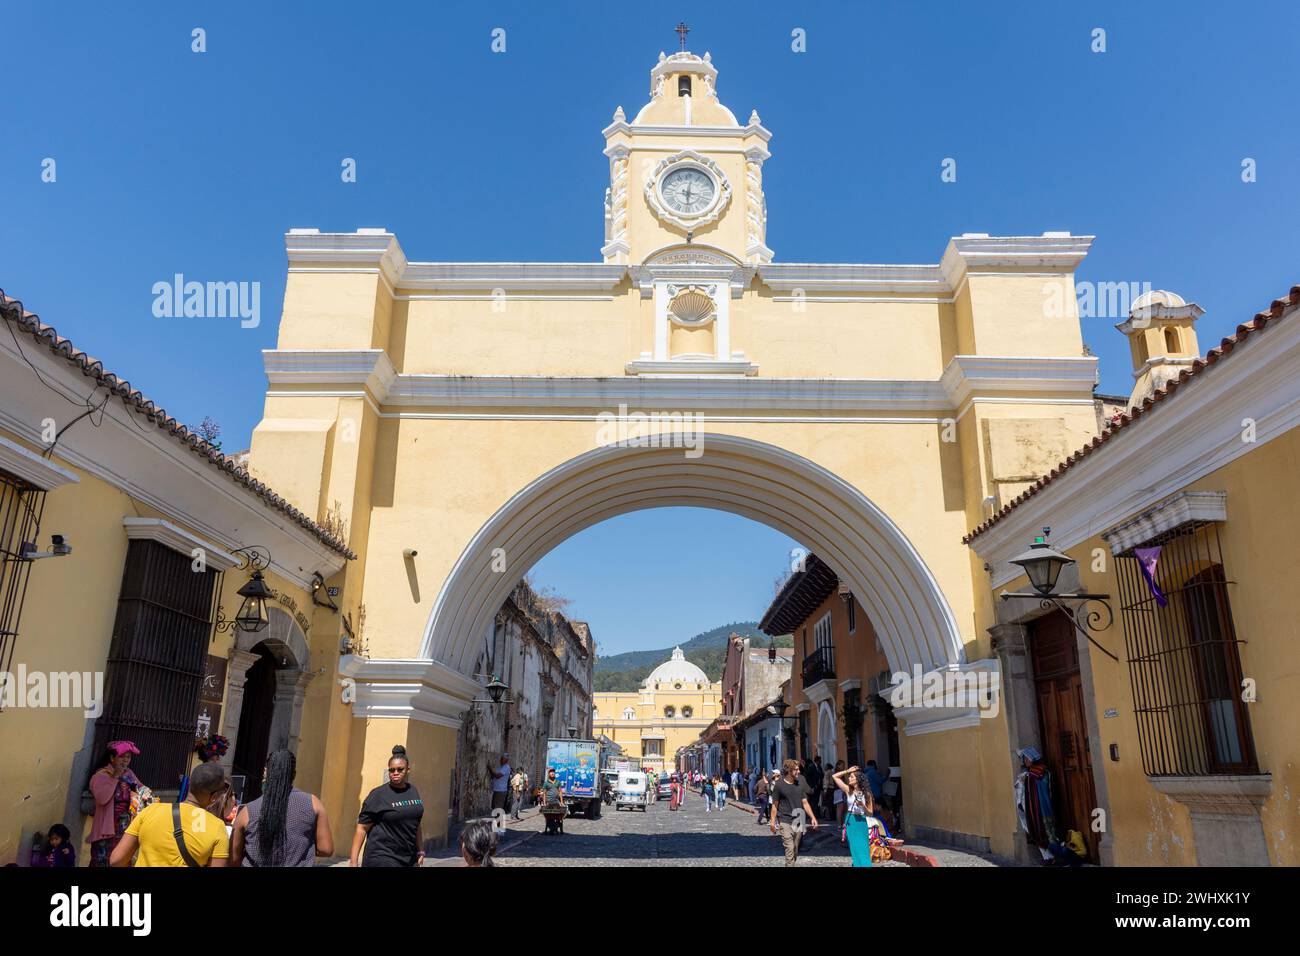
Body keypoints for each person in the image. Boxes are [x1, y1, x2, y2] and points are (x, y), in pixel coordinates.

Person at [110, 762, 230, 867]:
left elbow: (116, 860)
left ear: (190, 785)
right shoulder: (217, 827)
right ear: (214, 797)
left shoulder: (151, 811)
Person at [231, 749, 333, 867]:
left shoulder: (247, 811)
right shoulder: (313, 803)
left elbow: (234, 858)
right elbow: (326, 849)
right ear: (294, 774)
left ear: (265, 772)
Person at [351, 745, 425, 867]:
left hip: (408, 857)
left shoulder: (413, 791)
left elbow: (416, 822)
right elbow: (362, 828)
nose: (395, 773)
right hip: (382, 856)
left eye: (400, 769)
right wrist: (353, 861)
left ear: (408, 770)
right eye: (392, 770)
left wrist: (420, 849)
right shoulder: (378, 795)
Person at [87, 740, 146, 867]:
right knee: (103, 861)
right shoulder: (101, 776)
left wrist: (145, 794)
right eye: (121, 757)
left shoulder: (129, 774)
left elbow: (141, 789)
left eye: (128, 757)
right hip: (107, 829)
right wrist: (115, 776)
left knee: (122, 861)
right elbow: (102, 799)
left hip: (125, 828)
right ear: (112, 758)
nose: (125, 760)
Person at [769, 758, 818, 866]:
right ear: (789, 771)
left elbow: (805, 803)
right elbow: (774, 805)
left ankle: (790, 864)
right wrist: (772, 822)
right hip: (785, 819)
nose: (799, 771)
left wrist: (813, 817)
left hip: (799, 818)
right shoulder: (779, 785)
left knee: (795, 848)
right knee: (789, 847)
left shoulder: (799, 784)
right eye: (796, 769)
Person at [833, 765, 875, 867]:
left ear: (858, 779)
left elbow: (870, 813)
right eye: (849, 776)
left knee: (863, 848)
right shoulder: (848, 790)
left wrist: (863, 806)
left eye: (852, 777)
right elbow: (835, 776)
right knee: (855, 848)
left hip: (861, 821)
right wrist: (847, 771)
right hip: (851, 820)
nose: (849, 778)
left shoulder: (867, 794)